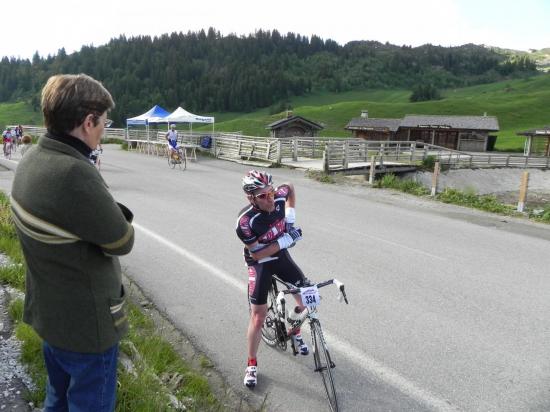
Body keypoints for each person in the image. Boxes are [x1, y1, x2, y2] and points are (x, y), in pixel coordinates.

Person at [10, 73, 134, 412]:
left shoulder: (32, 159)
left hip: (52, 317)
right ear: (88, 120)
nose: (104, 130)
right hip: (86, 328)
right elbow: (122, 240)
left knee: (57, 399)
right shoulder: (74, 173)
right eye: (103, 123)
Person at [236, 170, 309, 388]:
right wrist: (286, 240)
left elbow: (290, 186)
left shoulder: (278, 196)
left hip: (280, 255)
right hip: (259, 262)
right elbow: (258, 254)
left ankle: (294, 331)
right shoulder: (245, 222)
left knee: (305, 299)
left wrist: (291, 215)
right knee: (258, 317)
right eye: (262, 196)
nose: (270, 198)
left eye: (270, 192)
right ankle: (251, 363)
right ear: (250, 198)